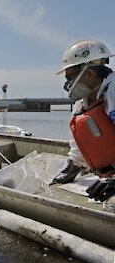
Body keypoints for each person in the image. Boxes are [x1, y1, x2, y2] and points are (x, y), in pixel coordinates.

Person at [51, 39, 115, 202]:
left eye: (70, 77)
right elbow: (79, 145)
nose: (68, 84)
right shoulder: (82, 103)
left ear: (89, 73)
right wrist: (73, 167)